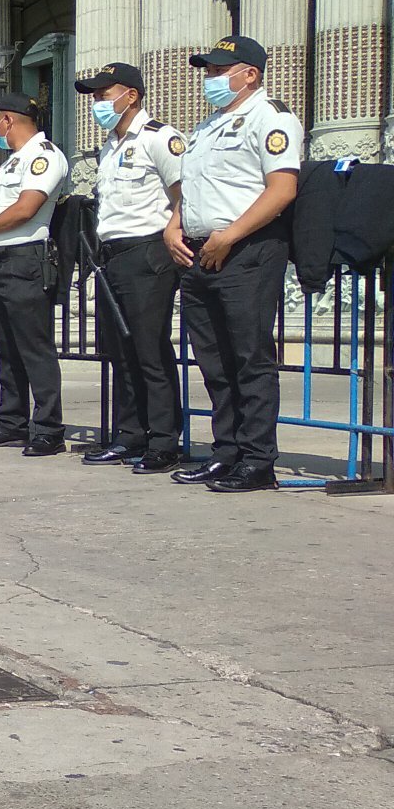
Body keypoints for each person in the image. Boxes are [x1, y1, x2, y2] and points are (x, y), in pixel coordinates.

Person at [169, 34, 302, 492]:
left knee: (249, 359)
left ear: (250, 74)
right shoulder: (208, 125)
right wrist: (173, 225)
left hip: (248, 251)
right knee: (214, 361)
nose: (210, 78)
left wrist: (230, 236)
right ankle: (226, 452)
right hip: (201, 251)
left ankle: (258, 460)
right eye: (208, 71)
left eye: (219, 70)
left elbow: (282, 189)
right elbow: (191, 188)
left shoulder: (270, 117)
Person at [73, 63, 188, 473]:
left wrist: (173, 237)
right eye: (95, 96)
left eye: (105, 94)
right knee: (120, 351)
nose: (98, 102)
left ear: (131, 95)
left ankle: (163, 440)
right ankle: (129, 436)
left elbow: (182, 195)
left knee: (149, 348)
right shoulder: (111, 145)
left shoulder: (159, 138)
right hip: (113, 255)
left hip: (149, 251)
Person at [0, 93, 70, 455]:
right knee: (6, 348)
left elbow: (25, 209)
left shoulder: (44, 156)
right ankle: (12, 421)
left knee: (33, 348)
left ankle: (48, 427)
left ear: (8, 120)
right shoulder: (8, 166)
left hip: (26, 257)